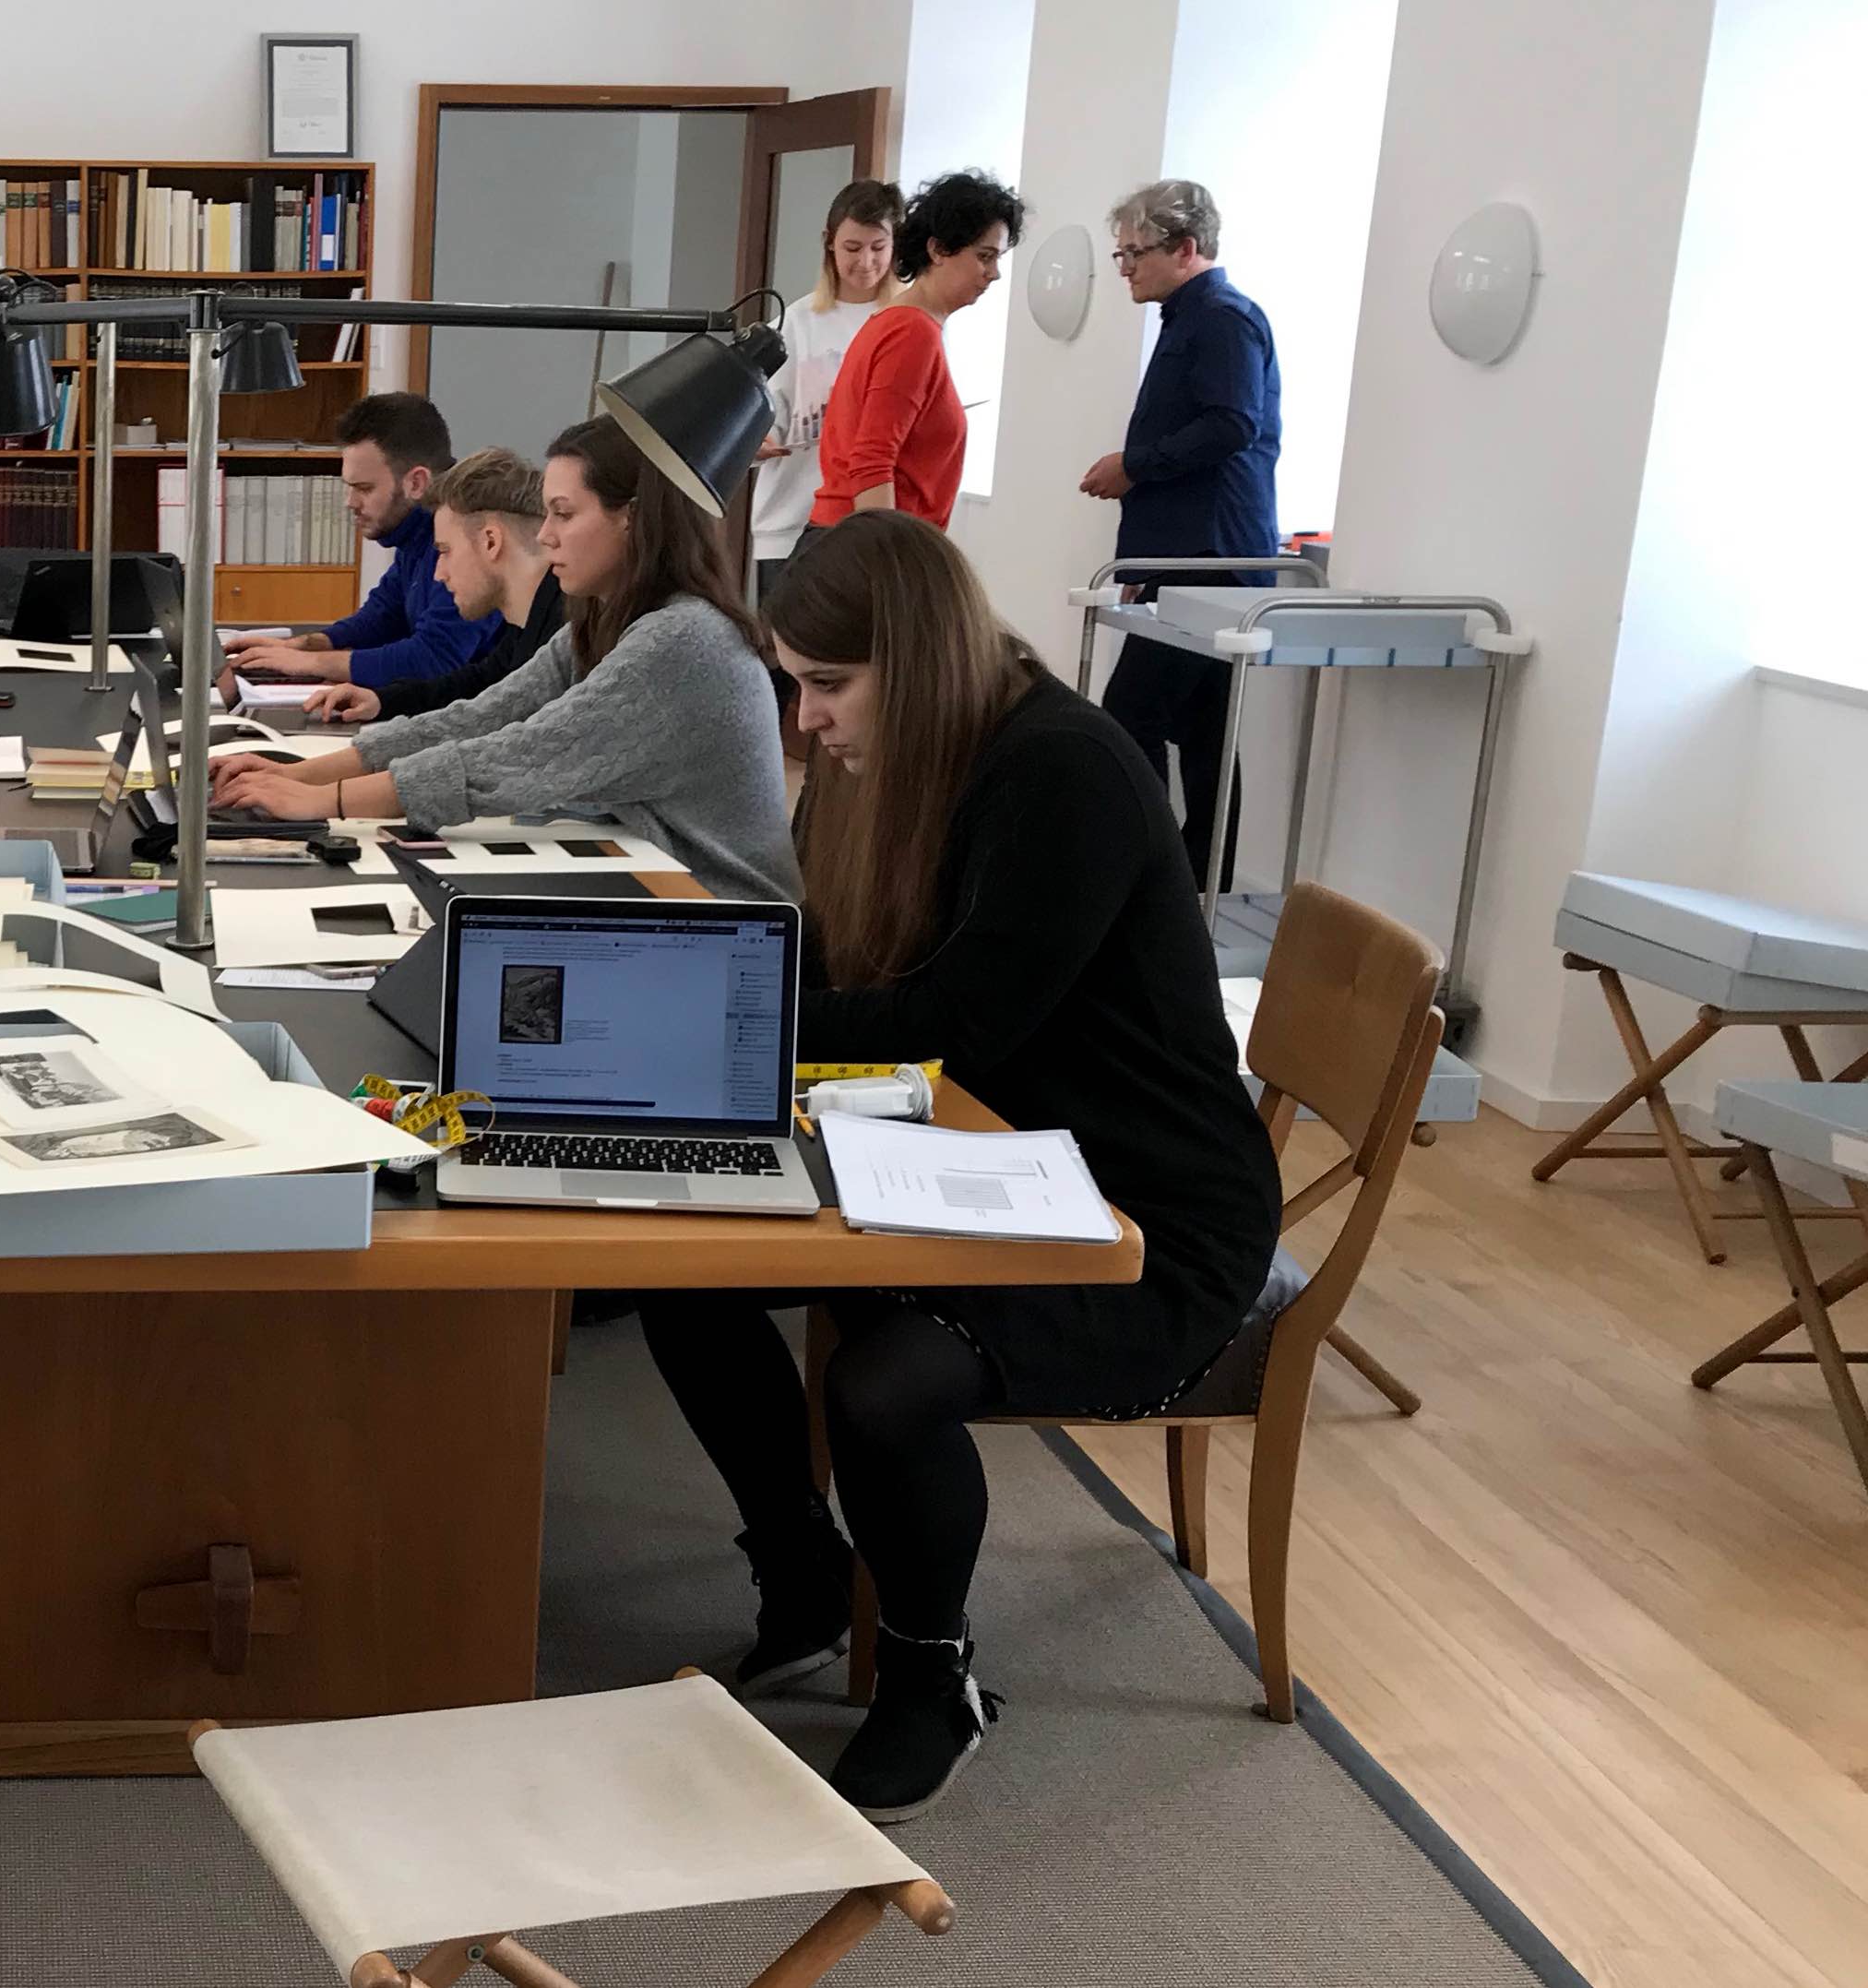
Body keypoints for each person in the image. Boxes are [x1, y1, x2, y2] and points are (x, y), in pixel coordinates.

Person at [636, 511, 1279, 1822]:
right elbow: (838, 960)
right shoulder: (907, 753)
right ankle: (807, 1574)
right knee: (678, 1268)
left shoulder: (1063, 771)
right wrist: (700, 991)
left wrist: (716, 1015)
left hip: (1143, 1215)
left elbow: (957, 1020)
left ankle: (930, 1680)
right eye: (796, 684)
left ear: (916, 659)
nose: (807, 719)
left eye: (828, 684)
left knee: (885, 1386)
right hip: (987, 1153)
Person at [207, 419, 798, 904]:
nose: (545, 536)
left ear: (632, 517)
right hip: (656, 882)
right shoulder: (609, 619)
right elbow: (483, 717)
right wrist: (301, 775)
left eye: (564, 514)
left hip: (727, 921)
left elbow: (526, 752)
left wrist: (326, 802)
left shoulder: (682, 639)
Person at [1081, 179, 1280, 890]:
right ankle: (1196, 889)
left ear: (1186, 247)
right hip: (1192, 554)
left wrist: (1135, 466)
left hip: (1214, 557)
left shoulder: (1223, 318)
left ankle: (1156, 881)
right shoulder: (1188, 318)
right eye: (1121, 254)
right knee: (1202, 731)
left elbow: (1232, 424)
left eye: (1135, 253)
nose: (1126, 268)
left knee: (1130, 716)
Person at [220, 393, 502, 690]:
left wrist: (311, 663)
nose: (350, 502)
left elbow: (432, 658)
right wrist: (303, 646)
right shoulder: (416, 534)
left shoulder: (467, 541)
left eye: (364, 489)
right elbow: (383, 616)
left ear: (416, 483)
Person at [810, 171, 1026, 534]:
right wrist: (890, 561)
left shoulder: (904, 323)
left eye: (997, 258)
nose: (994, 273)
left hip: (854, 536)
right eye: (984, 256)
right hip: (861, 542)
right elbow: (872, 463)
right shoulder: (912, 331)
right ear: (937, 249)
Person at [294, 447, 565, 727]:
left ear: (491, 542)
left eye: (445, 551)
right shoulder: (526, 628)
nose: (438, 574)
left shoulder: (572, 634)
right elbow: (480, 683)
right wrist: (382, 701)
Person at [752, 180, 901, 602]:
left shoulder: (906, 321)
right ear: (829, 243)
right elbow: (761, 412)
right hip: (790, 523)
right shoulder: (795, 323)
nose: (866, 262)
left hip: (872, 524)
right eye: (852, 248)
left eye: (878, 247)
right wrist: (757, 440)